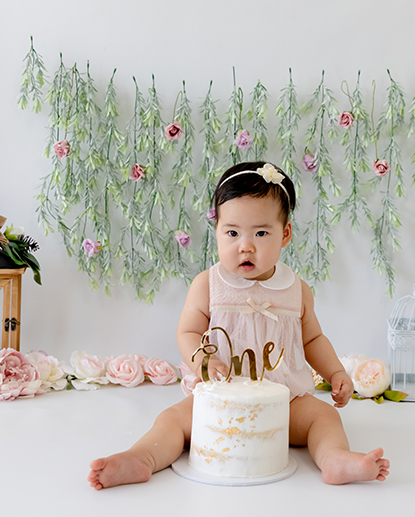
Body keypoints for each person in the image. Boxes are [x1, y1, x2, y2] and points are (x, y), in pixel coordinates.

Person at [88, 161, 390, 488]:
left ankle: (335, 459)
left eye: (261, 233)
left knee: (325, 417)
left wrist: (335, 373)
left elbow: (313, 339)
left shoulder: (296, 290)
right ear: (217, 231)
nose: (245, 245)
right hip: (220, 398)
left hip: (285, 402)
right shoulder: (208, 285)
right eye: (232, 233)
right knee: (173, 419)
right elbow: (188, 332)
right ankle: (141, 458)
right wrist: (203, 361)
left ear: (285, 234)